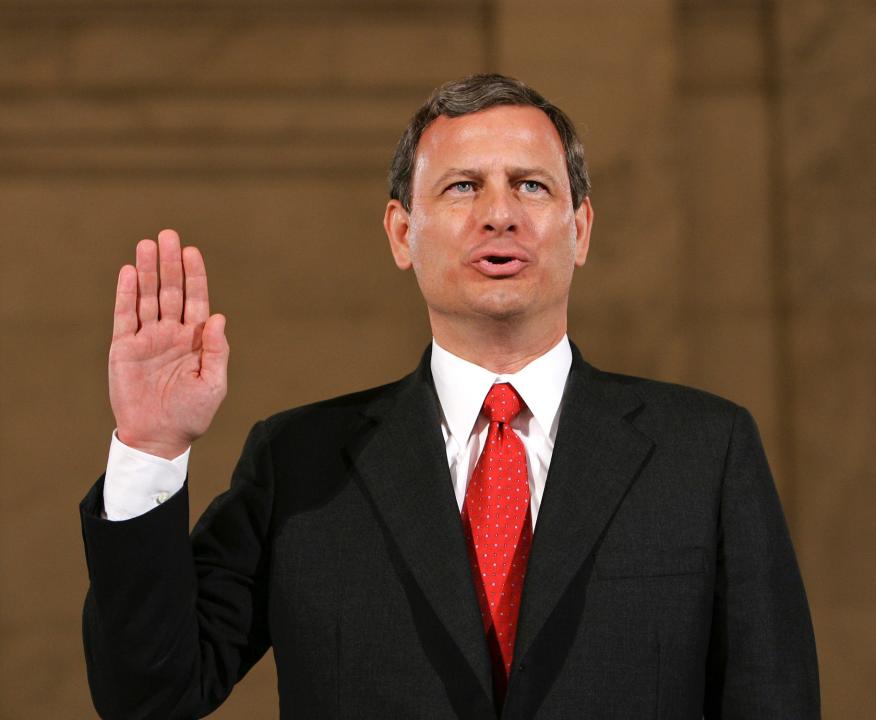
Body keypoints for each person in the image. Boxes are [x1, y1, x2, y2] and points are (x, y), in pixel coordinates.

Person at [80, 74, 820, 719]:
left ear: (581, 228)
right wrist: (150, 447)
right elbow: (149, 695)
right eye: (463, 186)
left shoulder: (706, 450)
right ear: (403, 233)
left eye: (531, 185)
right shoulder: (297, 464)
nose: (500, 214)